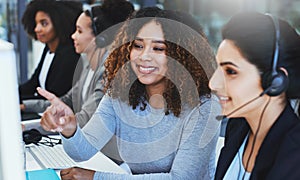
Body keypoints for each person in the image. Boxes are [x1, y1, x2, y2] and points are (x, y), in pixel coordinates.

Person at [39, 7, 220, 179]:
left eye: (158, 48)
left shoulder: (204, 106)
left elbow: (182, 178)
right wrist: (69, 128)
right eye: (138, 46)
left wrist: (96, 178)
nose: (144, 56)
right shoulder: (120, 94)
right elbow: (82, 151)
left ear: (182, 55)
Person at [211, 12, 300, 179]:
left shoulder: (294, 156)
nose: (213, 83)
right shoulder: (237, 126)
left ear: (275, 82)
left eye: (230, 71)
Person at [20, 0, 134, 128]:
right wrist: (26, 108)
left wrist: (31, 127)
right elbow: (66, 101)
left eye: (79, 31)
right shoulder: (88, 67)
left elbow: (86, 118)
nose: (73, 36)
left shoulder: (108, 72)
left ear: (100, 38)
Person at [19, 0, 82, 102]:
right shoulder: (48, 49)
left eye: (44, 23)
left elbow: (56, 94)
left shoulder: (70, 55)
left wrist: (23, 104)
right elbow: (33, 84)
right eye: (36, 23)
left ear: (59, 24)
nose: (37, 29)